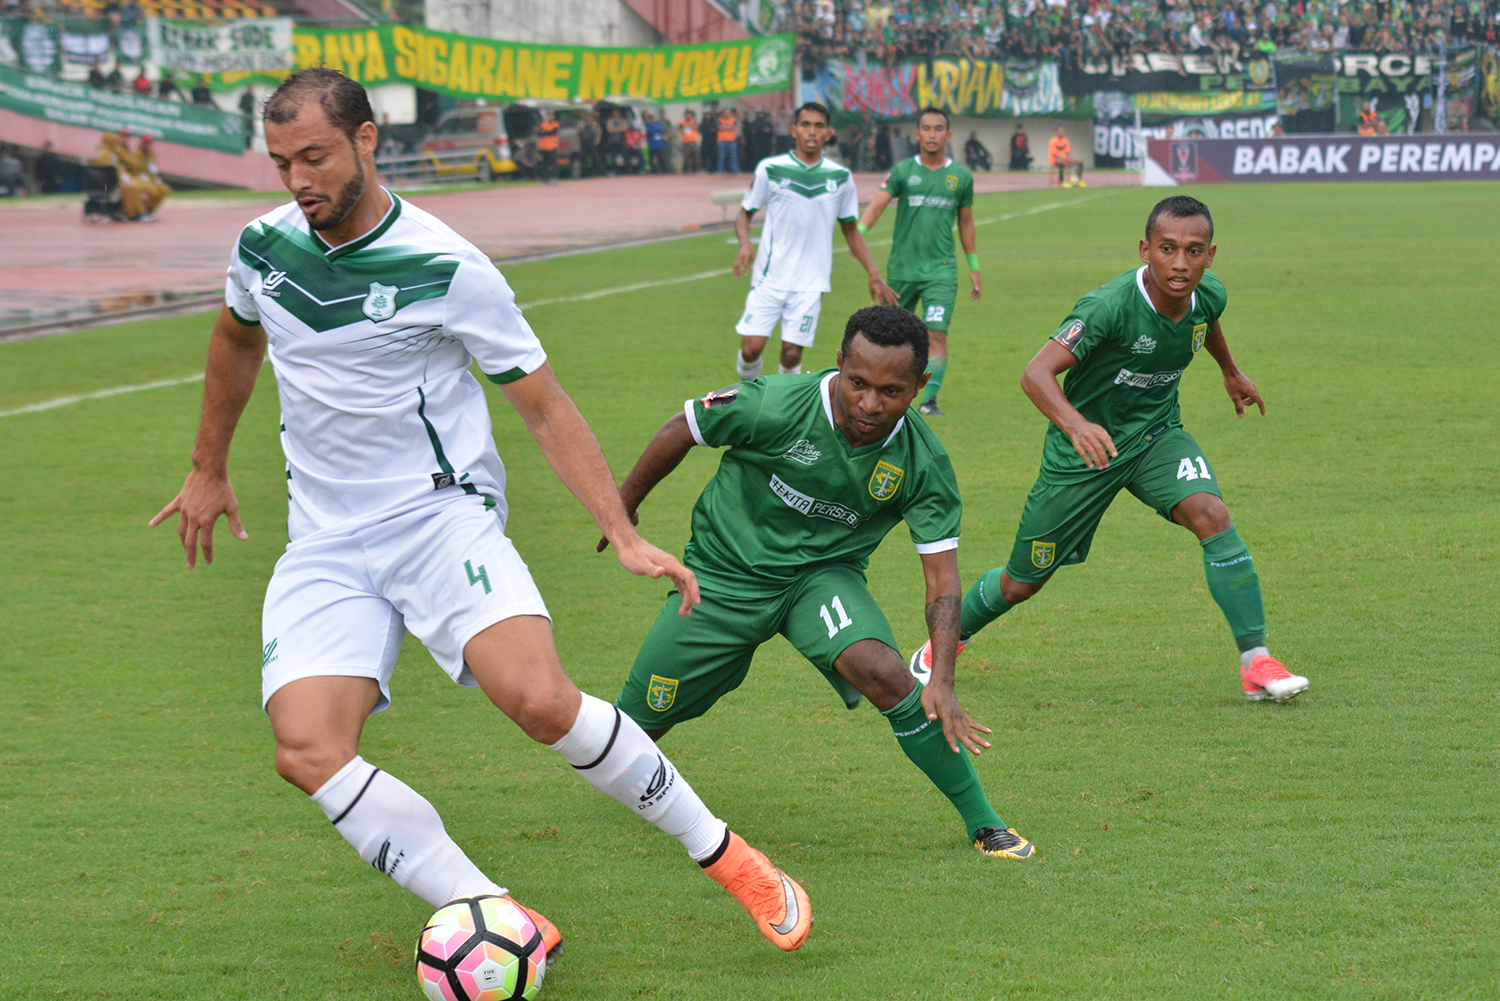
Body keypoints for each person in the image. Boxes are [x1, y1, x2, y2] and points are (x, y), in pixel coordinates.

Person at [148, 67, 812, 959]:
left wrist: (620, 529)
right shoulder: (262, 246)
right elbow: (236, 337)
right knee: (305, 748)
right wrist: (207, 466)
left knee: (540, 700)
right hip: (326, 539)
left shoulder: (446, 264)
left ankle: (727, 855)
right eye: (280, 162)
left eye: (314, 157)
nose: (299, 180)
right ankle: (491, 913)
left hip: (438, 519)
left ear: (367, 140)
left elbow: (543, 403)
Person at [603, 306, 1036, 862]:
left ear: (920, 386)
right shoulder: (775, 403)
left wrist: (944, 680)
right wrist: (623, 512)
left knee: (887, 674)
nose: (870, 404)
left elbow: (942, 581)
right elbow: (683, 428)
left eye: (891, 390)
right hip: (722, 575)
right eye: (858, 383)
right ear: (839, 365)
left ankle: (986, 824)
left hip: (819, 580)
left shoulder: (922, 462)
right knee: (628, 736)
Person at [923, 196, 1309, 706]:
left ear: (1210, 256)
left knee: (1211, 514)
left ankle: (1255, 661)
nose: (1180, 263)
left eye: (1194, 251)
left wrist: (1230, 370)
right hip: (1084, 454)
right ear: (1145, 250)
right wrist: (1076, 423)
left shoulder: (1209, 293)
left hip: (1155, 437)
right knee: (1021, 583)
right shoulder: (1107, 307)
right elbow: (1034, 373)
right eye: (1167, 249)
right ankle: (942, 645)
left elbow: (1205, 322)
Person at [731, 101, 896, 381]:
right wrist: (745, 244)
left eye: (819, 126)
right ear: (794, 130)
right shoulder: (770, 169)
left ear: (828, 133)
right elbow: (743, 214)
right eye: (805, 125)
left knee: (792, 353)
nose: (811, 132)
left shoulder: (840, 177)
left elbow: (851, 229)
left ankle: (786, 411)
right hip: (770, 277)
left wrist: (873, 272)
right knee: (751, 349)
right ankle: (748, 400)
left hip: (811, 281)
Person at [856, 107, 979, 417]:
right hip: (901, 271)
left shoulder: (961, 177)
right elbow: (877, 207)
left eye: (939, 129)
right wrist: (855, 233)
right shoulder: (902, 172)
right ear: (917, 134)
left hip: (941, 271)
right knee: (886, 339)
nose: (932, 134)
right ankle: (884, 392)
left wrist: (974, 266)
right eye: (926, 128)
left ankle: (928, 401)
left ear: (948, 135)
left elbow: (966, 224)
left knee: (936, 335)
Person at [536, 110, 560, 184]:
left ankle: (554, 177)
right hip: (543, 146)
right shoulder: (543, 124)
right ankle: (545, 178)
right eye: (549, 115)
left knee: (553, 163)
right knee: (544, 164)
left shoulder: (555, 124)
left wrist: (545, 132)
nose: (550, 117)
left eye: (551, 115)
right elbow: (540, 133)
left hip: (551, 146)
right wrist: (545, 132)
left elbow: (553, 132)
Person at [716, 107, 739, 174]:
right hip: (722, 141)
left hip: (732, 141)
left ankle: (736, 171)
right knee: (721, 157)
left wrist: (724, 127)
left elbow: (733, 127)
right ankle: (720, 171)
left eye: (728, 113)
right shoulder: (719, 120)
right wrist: (728, 127)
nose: (727, 114)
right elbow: (719, 127)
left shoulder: (733, 120)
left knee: (733, 157)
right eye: (725, 113)